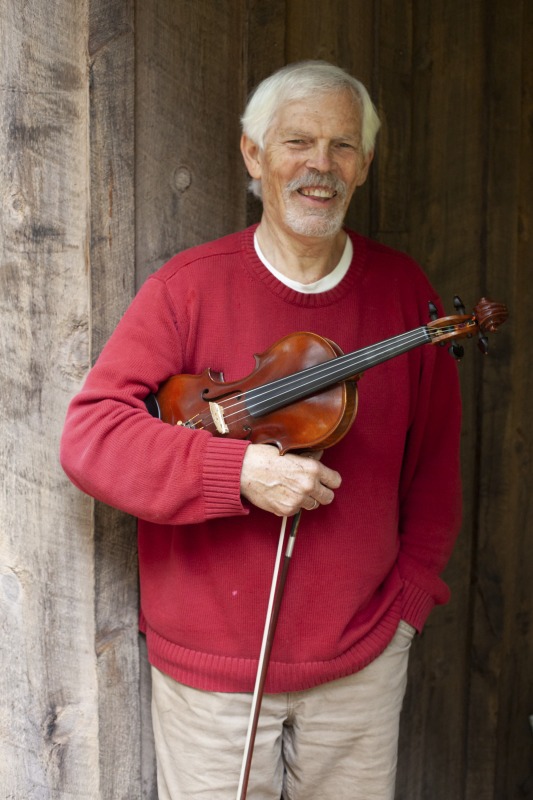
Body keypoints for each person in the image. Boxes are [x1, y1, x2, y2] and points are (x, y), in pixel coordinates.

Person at [60, 61, 462, 799]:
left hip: (361, 665)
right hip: (212, 679)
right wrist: (237, 471)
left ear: (365, 164)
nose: (321, 166)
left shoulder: (408, 296)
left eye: (343, 146)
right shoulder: (186, 288)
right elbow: (92, 438)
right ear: (253, 154)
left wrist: (405, 610)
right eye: (297, 142)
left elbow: (434, 472)